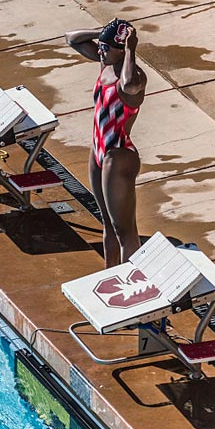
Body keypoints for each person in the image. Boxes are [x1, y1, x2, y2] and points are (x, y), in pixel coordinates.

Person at [65, 19, 147, 267]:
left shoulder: (135, 77)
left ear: (121, 50)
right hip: (98, 150)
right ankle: (110, 275)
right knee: (108, 226)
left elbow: (129, 85)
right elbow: (72, 37)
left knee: (125, 232)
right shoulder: (106, 65)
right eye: (100, 47)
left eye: (105, 48)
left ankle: (133, 288)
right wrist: (102, 33)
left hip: (118, 156)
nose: (100, 51)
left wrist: (131, 49)